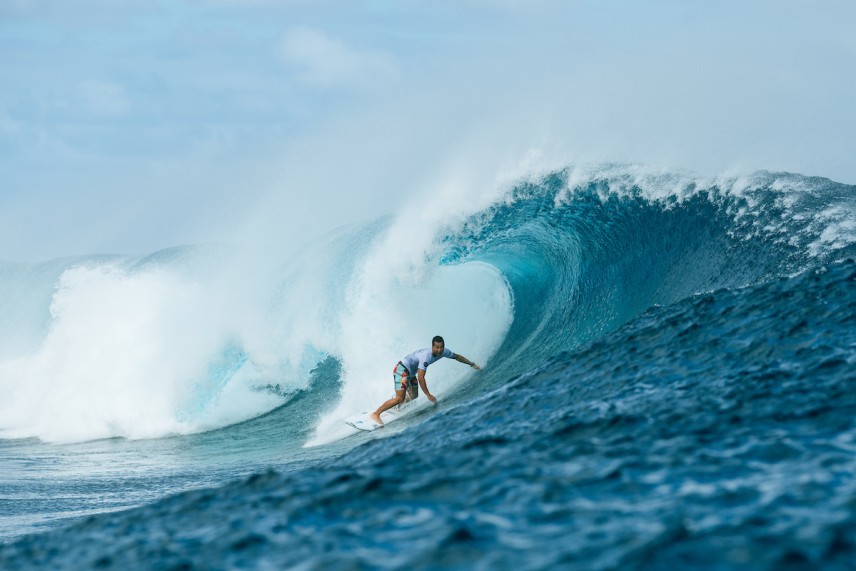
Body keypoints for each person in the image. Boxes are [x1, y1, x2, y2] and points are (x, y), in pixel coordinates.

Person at [370, 335, 480, 425]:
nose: (439, 350)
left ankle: (395, 405)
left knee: (413, 396)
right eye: (437, 347)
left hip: (410, 373)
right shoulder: (426, 356)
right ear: (432, 346)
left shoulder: (444, 352)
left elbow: (457, 357)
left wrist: (471, 364)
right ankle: (376, 414)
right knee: (400, 398)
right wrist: (428, 395)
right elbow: (421, 377)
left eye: (441, 347)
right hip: (401, 370)